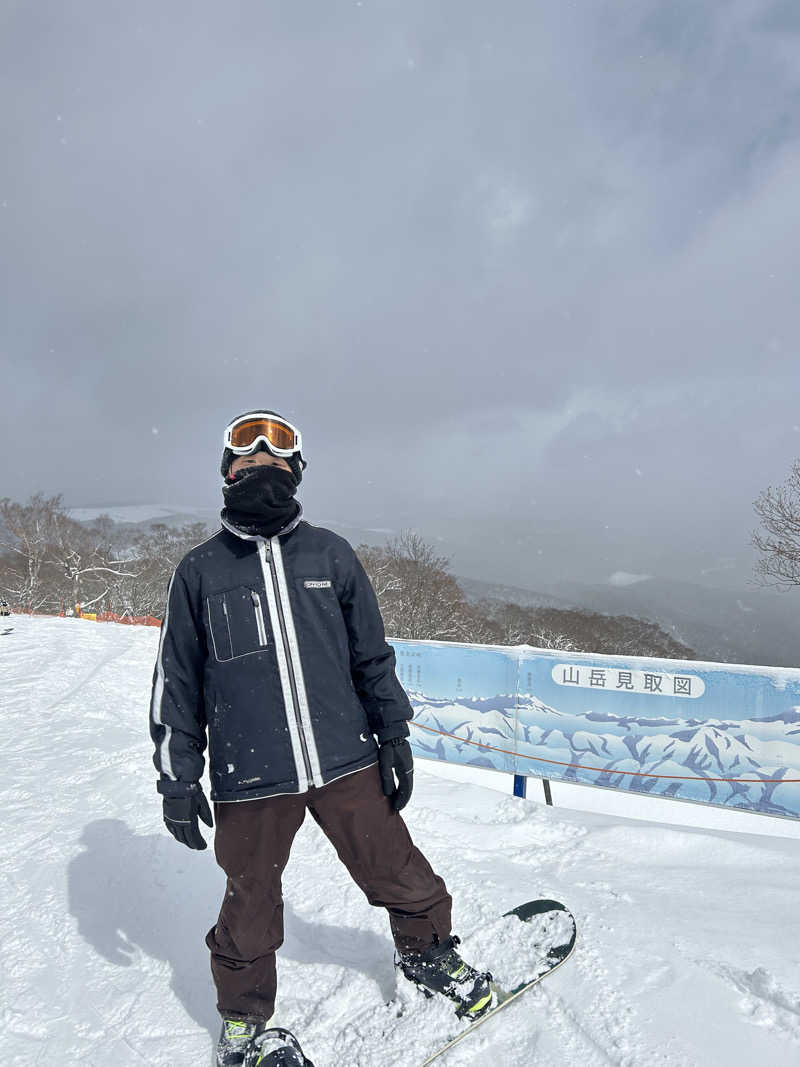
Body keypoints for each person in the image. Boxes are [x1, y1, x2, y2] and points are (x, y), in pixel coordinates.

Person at [148, 410, 490, 1067]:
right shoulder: (200, 570)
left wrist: (393, 732)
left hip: (346, 758)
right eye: (248, 464)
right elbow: (177, 685)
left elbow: (371, 655)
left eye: (275, 464)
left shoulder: (330, 554)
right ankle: (244, 1024)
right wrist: (177, 776)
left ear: (296, 475)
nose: (260, 470)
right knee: (250, 902)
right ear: (227, 474)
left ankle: (425, 954)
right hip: (250, 775)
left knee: (398, 867)